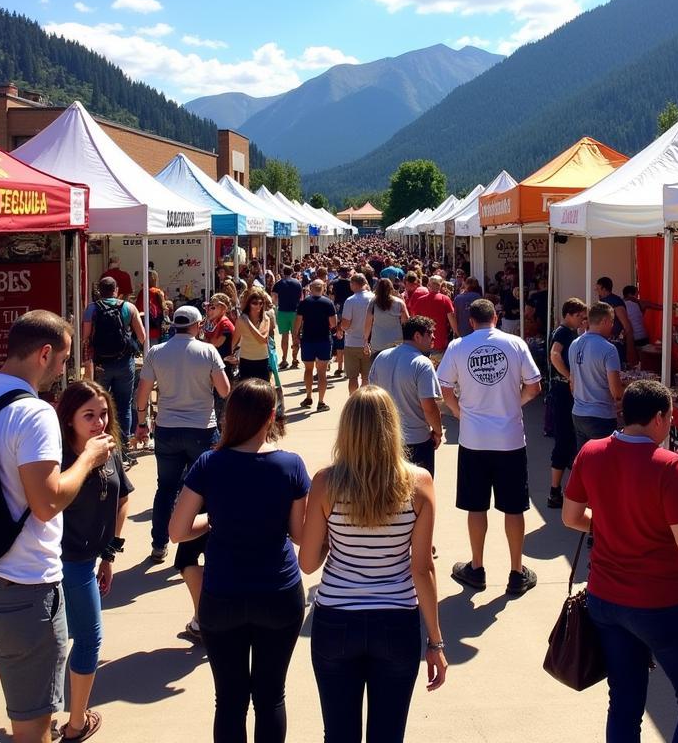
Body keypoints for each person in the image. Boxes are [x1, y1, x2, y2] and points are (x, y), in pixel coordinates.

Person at [0, 311, 114, 743]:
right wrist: (86, 460)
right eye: (63, 360)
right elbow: (46, 503)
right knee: (33, 729)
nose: (62, 370)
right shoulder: (34, 413)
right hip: (23, 591)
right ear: (45, 353)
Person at [562, 380, 678, 743]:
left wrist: (610, 524)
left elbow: (571, 517)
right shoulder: (670, 466)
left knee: (624, 704)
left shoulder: (591, 451)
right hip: (661, 603)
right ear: (660, 418)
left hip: (605, 599)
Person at [299, 386, 446, 742]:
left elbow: (307, 563)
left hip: (336, 618)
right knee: (388, 734)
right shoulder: (418, 482)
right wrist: (436, 642)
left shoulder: (325, 482)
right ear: (392, 427)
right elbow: (422, 568)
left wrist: (334, 538)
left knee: (338, 734)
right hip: (397, 620)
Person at [169, 380, 310, 743]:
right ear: (271, 417)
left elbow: (178, 530)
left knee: (229, 700)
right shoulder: (291, 466)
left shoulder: (209, 463)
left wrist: (213, 519)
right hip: (278, 592)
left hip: (223, 594)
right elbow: (298, 535)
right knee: (270, 696)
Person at [438, 299, 542, 595]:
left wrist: (459, 412)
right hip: (509, 439)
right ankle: (516, 571)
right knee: (514, 507)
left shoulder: (458, 347)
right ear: (495, 318)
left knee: (476, 506)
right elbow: (534, 386)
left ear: (471, 321)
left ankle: (477, 566)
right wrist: (513, 404)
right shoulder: (515, 343)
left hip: (473, 439)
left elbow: (444, 387)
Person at [55, 382, 133, 742]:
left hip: (89, 560)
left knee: (63, 639)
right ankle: (75, 724)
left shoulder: (109, 449)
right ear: (68, 419)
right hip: (62, 562)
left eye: (104, 414)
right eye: (89, 415)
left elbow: (122, 498)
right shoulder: (57, 456)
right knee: (87, 640)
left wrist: (110, 555)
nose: (100, 422)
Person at [134, 306, 231, 563]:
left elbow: (142, 392)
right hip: (202, 429)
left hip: (167, 429)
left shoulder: (157, 352)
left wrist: (141, 422)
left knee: (165, 488)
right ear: (198, 326)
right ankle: (207, 542)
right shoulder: (208, 351)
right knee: (208, 490)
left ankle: (159, 544)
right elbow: (224, 390)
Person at [369, 317, 443, 477]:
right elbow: (429, 407)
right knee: (419, 494)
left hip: (386, 438)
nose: (434, 338)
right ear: (417, 336)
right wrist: (438, 431)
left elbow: (371, 395)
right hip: (417, 441)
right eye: (430, 334)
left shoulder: (381, 357)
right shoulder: (422, 363)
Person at [81, 277, 146, 448]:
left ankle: (102, 442)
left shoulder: (91, 309)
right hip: (124, 362)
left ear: (99, 291)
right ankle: (122, 446)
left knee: (99, 403)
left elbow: (85, 338)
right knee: (124, 405)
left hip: (101, 363)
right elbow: (142, 337)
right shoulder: (129, 307)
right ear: (116, 289)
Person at [546, 298, 588, 509]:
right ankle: (555, 491)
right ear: (570, 314)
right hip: (562, 391)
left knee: (569, 439)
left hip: (563, 390)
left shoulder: (567, 332)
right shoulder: (563, 332)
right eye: (580, 316)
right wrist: (569, 376)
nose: (582, 320)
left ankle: (567, 490)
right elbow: (555, 355)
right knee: (564, 439)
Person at [568, 301, 624, 448]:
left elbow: (572, 384)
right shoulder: (609, 349)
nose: (612, 326)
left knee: (585, 463)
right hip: (601, 416)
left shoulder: (574, 344)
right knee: (603, 467)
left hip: (578, 413)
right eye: (611, 322)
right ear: (604, 321)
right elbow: (616, 392)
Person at [294, 280, 337, 413]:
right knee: (322, 372)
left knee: (308, 370)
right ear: (323, 288)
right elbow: (333, 323)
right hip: (323, 339)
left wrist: (295, 336)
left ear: (311, 288)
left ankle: (308, 396)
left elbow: (298, 321)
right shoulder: (328, 303)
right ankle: (321, 401)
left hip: (308, 340)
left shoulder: (304, 303)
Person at [200, 294, 237, 429]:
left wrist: (205, 338)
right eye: (208, 307)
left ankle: (222, 430)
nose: (209, 311)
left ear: (222, 308)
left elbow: (214, 343)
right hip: (215, 366)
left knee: (221, 401)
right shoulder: (214, 323)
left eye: (213, 307)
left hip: (224, 367)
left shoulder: (225, 324)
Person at [338, 273, 373, 395]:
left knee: (352, 377)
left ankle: (354, 400)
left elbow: (346, 323)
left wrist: (341, 328)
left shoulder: (351, 300)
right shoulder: (374, 298)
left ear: (354, 284)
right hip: (369, 342)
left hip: (352, 343)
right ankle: (364, 401)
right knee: (366, 377)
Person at [232, 288, 272, 382]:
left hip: (262, 359)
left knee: (262, 392)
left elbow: (262, 340)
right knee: (246, 392)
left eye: (261, 303)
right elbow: (235, 340)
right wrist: (232, 355)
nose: (258, 306)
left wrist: (248, 323)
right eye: (254, 303)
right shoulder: (241, 320)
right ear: (249, 304)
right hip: (246, 359)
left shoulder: (265, 319)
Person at [414, 276, 457, 363]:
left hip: (422, 341)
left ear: (429, 285)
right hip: (439, 340)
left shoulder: (420, 300)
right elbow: (452, 319)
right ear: (440, 286)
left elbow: (415, 321)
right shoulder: (445, 299)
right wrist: (458, 334)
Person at [364, 278, 409, 359]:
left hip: (378, 342)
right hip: (396, 343)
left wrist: (365, 341)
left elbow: (368, 323)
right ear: (391, 288)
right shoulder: (399, 303)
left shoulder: (373, 303)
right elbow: (406, 322)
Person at [595, 277, 635, 366]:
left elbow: (627, 325)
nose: (596, 290)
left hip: (616, 344)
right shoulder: (601, 301)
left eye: (598, 288)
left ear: (604, 289)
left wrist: (630, 349)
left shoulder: (615, 301)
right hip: (604, 342)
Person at [272, 266, 304, 370]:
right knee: (295, 336)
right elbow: (301, 298)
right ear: (292, 272)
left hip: (282, 312)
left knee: (284, 336)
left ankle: (284, 359)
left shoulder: (278, 284)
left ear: (282, 272)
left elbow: (274, 298)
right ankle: (294, 360)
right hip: (295, 312)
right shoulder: (297, 283)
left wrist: (278, 305)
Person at [329, 267, 353, 379]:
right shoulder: (351, 283)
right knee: (347, 339)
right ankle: (344, 367)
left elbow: (331, 298)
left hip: (338, 311)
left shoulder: (334, 283)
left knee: (338, 338)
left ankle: (339, 366)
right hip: (350, 311)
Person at [135, 269, 170, 345]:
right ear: (155, 279)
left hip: (144, 323)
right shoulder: (158, 291)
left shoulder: (142, 292)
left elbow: (138, 307)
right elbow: (164, 308)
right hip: (156, 325)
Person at [621, 285, 660, 351]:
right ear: (630, 294)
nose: (637, 296)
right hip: (641, 337)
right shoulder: (640, 303)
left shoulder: (619, 305)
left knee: (631, 360)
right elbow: (660, 307)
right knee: (644, 359)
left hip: (629, 338)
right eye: (637, 294)